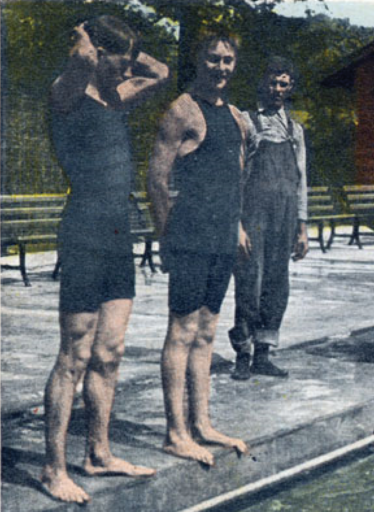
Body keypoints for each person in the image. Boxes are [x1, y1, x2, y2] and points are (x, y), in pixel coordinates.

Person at [42, 16, 168, 503]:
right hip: (83, 230)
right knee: (73, 354)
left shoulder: (117, 96)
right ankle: (54, 469)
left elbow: (158, 73)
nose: (126, 69)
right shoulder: (67, 94)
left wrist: (126, 52)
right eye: (118, 58)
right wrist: (85, 34)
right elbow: (81, 58)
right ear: (98, 52)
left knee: (110, 352)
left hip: (118, 232)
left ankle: (98, 452)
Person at [148, 33, 250, 465]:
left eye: (228, 60)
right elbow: (156, 178)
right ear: (199, 59)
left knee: (208, 331)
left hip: (223, 234)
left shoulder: (236, 116)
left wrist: (239, 224)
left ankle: (202, 424)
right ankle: (176, 432)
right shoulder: (182, 110)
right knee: (182, 331)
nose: (221, 67)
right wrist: (165, 234)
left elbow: (234, 176)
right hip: (190, 234)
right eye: (213, 59)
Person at [228, 57, 308, 381]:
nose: (277, 89)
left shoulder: (295, 130)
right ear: (264, 84)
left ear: (290, 88)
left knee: (277, 283)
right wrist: (237, 224)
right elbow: (234, 176)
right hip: (254, 215)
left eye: (284, 84)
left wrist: (303, 228)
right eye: (273, 82)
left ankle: (264, 353)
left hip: (285, 216)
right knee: (250, 280)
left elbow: (302, 180)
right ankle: (243, 354)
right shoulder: (247, 122)